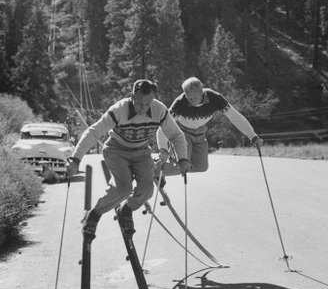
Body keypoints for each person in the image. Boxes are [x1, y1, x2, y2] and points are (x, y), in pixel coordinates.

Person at [67, 79, 190, 240]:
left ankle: (126, 210)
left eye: (148, 104)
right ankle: (93, 215)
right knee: (123, 188)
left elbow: (176, 135)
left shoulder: (159, 110)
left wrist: (183, 159)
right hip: (116, 150)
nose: (143, 108)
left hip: (141, 152)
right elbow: (93, 133)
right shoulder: (119, 110)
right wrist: (75, 160)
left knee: (147, 190)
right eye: (139, 103)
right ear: (132, 96)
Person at [156, 77, 263, 175]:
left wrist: (252, 135)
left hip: (200, 133)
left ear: (202, 92)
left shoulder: (215, 98)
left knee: (201, 167)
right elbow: (164, 127)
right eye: (189, 98)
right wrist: (163, 149)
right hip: (182, 133)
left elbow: (235, 117)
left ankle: (163, 169)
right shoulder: (180, 103)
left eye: (195, 98)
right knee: (183, 164)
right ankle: (155, 171)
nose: (192, 101)